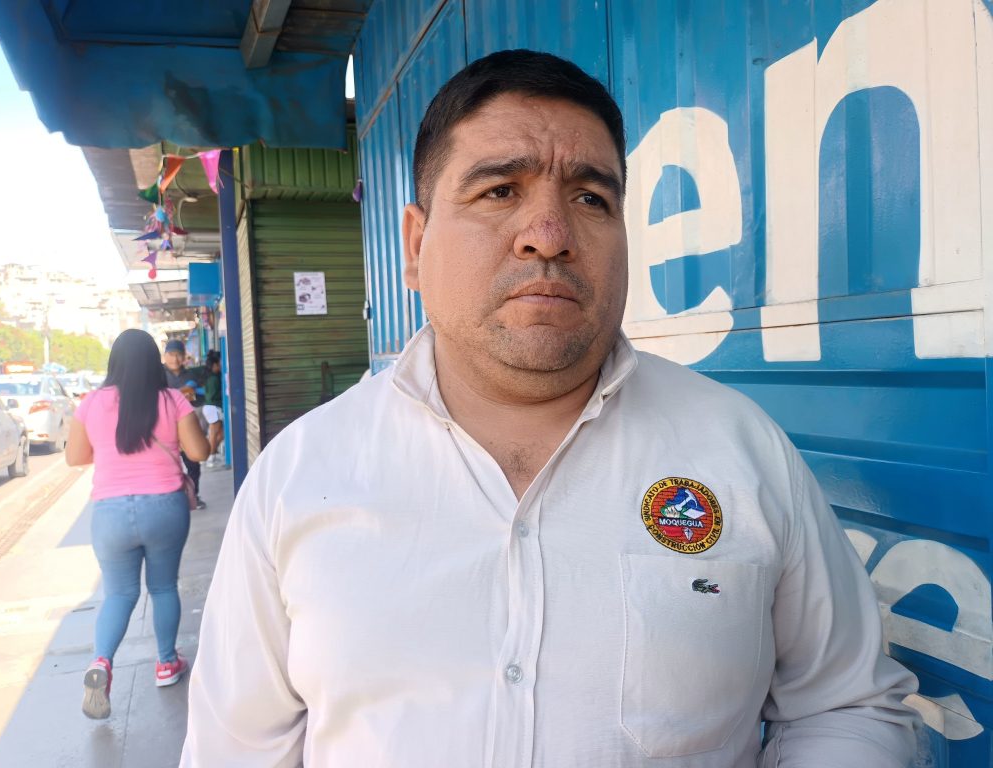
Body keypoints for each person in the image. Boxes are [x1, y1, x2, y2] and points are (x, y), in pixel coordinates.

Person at [181, 50, 918, 766]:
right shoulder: (299, 478)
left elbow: (846, 705)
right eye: (500, 191)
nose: (549, 236)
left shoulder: (741, 450)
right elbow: (234, 749)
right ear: (415, 244)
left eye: (591, 198)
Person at [67, 329, 209, 720]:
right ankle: (166, 663)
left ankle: (101, 662)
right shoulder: (172, 399)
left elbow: (74, 457)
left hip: (110, 513)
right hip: (165, 507)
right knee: (163, 587)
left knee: (118, 594)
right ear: (153, 362)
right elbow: (198, 452)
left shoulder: (91, 403)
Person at [163, 339, 207, 509]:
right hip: (165, 429)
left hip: (187, 428)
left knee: (193, 464)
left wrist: (194, 392)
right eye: (171, 354)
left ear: (184, 356)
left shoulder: (191, 376)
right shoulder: (157, 375)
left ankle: (193, 496)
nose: (175, 359)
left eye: (179, 355)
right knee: (167, 466)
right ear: (165, 355)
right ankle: (171, 500)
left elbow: (201, 397)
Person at [201, 350, 224, 467]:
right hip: (213, 408)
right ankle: (210, 457)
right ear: (214, 365)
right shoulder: (214, 379)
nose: (221, 365)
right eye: (219, 363)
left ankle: (211, 454)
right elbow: (212, 396)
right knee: (214, 434)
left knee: (220, 434)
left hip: (210, 408)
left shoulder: (210, 377)